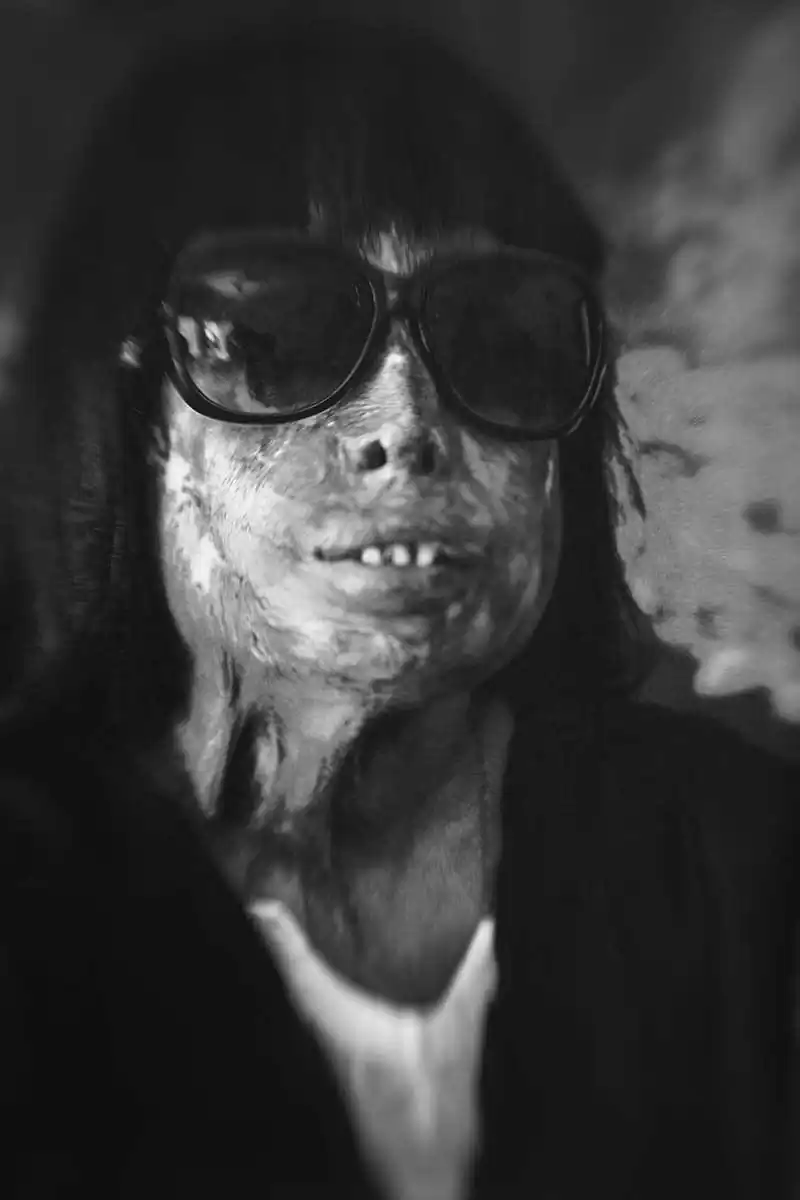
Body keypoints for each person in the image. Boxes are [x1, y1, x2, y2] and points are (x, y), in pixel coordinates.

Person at [0, 17, 797, 1200]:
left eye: (499, 335)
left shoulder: (738, 863)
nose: (408, 422)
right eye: (276, 334)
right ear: (138, 415)